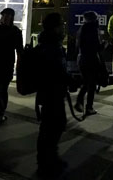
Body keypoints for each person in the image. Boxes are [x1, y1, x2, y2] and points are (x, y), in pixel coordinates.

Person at [35, 13, 70, 175]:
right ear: (55, 27)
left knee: (52, 126)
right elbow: (55, 71)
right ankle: (46, 161)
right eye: (61, 24)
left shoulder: (50, 43)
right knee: (52, 127)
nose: (63, 27)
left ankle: (48, 159)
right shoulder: (51, 46)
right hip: (51, 92)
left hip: (51, 92)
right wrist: (69, 80)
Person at [0, 8, 23, 125]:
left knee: (1, 90)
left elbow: (19, 50)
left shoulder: (13, 31)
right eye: (4, 16)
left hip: (5, 64)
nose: (5, 18)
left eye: (8, 16)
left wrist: (19, 65)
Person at [75, 11, 102, 116]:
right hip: (91, 59)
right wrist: (104, 45)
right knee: (91, 84)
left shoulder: (82, 29)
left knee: (86, 82)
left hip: (82, 58)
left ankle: (80, 102)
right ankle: (88, 107)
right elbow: (97, 46)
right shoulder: (93, 29)